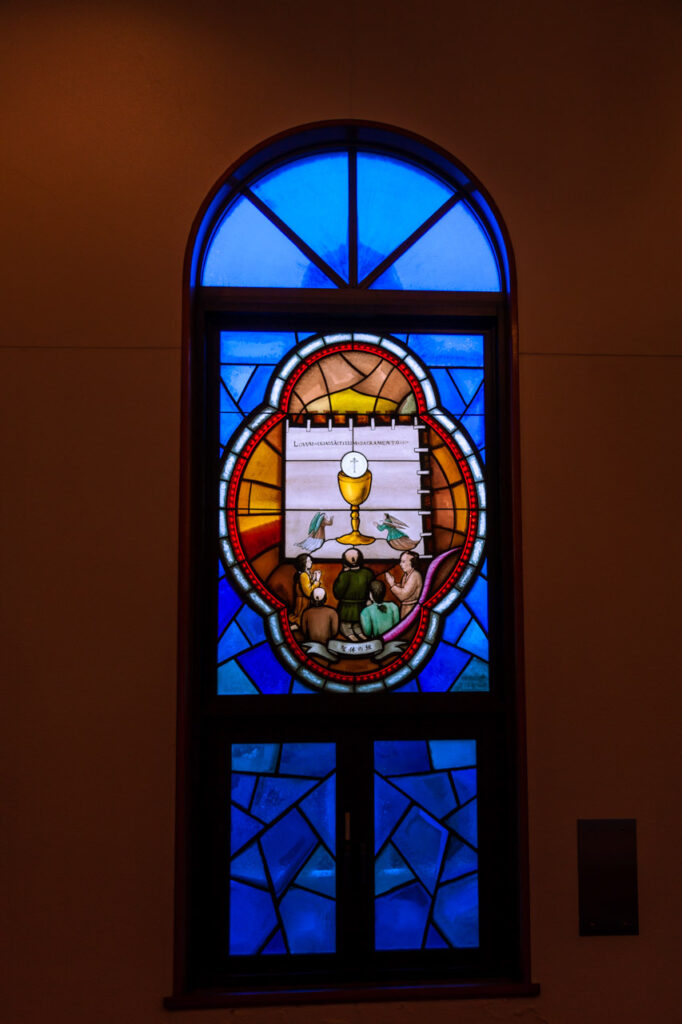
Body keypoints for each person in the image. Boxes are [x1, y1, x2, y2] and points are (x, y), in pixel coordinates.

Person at [332, 548, 374, 640]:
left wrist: (343, 573)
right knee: (359, 629)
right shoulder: (368, 573)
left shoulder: (344, 575)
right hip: (362, 609)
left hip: (345, 612)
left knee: (346, 629)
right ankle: (362, 638)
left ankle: (353, 638)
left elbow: (338, 593)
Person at [385, 551, 423, 619]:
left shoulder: (415, 575)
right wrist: (396, 584)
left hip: (412, 609)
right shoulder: (406, 575)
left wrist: (392, 584)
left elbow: (403, 595)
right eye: (401, 562)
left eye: (403, 562)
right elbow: (404, 587)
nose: (400, 564)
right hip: (406, 608)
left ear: (412, 562)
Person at [290, 552, 320, 628]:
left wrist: (313, 579)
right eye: (309, 561)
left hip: (304, 601)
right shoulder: (303, 575)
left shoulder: (306, 573)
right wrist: (317, 580)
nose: (311, 562)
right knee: (300, 621)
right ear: (304, 563)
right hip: (303, 603)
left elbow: (307, 586)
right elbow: (309, 593)